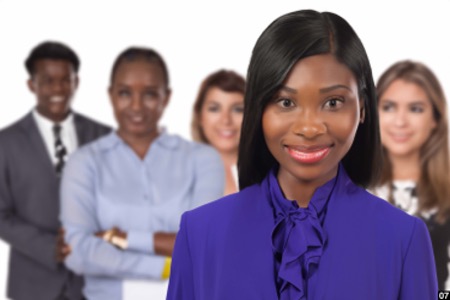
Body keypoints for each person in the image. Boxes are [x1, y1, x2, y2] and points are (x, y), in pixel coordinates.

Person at [166, 9, 437, 300]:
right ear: (258, 109)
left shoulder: (403, 239)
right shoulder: (200, 233)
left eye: (333, 102)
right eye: (285, 102)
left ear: (362, 109)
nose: (309, 128)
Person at [60, 47, 224, 300]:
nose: (136, 106)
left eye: (149, 94)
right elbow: (78, 252)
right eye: (125, 93)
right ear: (111, 95)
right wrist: (165, 267)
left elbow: (203, 245)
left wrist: (120, 239)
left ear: (166, 97)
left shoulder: (202, 160)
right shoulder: (84, 163)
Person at [0, 41, 111, 300]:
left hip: (93, 283)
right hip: (33, 284)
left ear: (76, 82)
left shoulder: (104, 137)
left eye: (66, 80)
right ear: (32, 84)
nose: (58, 89)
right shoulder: (6, 143)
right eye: (48, 80)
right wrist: (49, 247)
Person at [372, 60, 450, 289]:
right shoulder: (345, 189)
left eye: (415, 109)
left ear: (435, 119)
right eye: (388, 107)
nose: (400, 121)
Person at [191, 70, 245, 195]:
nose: (226, 120)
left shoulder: (273, 174)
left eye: (237, 109)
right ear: (199, 116)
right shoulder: (179, 173)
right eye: (214, 109)